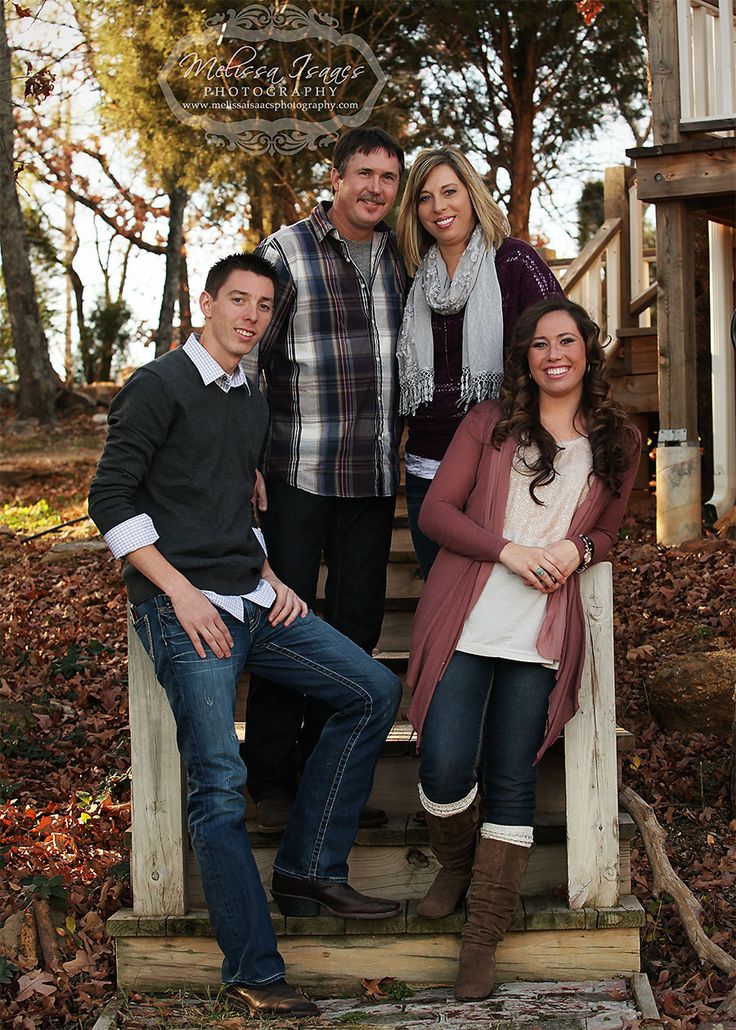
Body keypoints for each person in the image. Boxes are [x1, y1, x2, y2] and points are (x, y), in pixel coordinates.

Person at [88, 253, 402, 1020]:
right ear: (206, 303)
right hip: (183, 607)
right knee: (219, 787)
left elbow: (231, 500)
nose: (251, 316)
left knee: (372, 689)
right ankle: (253, 969)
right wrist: (179, 593)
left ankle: (308, 867)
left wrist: (267, 573)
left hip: (252, 596)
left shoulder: (250, 395)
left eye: (263, 305)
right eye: (238, 300)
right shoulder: (159, 387)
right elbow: (109, 499)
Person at [406, 295, 641, 1001]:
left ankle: (482, 937)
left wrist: (578, 547)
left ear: (587, 350)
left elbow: (612, 530)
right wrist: (507, 550)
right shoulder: (490, 424)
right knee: (446, 760)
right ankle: (455, 861)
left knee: (512, 777)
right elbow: (436, 512)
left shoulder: (620, 440)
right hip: (469, 616)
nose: (553, 355)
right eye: (539, 344)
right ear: (524, 357)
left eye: (565, 341)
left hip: (541, 632)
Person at [243, 127, 407, 832]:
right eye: (363, 173)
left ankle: (327, 778)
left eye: (388, 178)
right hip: (295, 473)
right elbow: (248, 358)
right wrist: (242, 458)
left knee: (356, 628)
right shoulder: (286, 253)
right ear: (335, 179)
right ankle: (272, 780)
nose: (375, 188)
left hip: (372, 477)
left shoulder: (404, 258)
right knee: (287, 621)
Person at [396, 146, 563, 580]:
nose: (439, 207)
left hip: (501, 463)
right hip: (427, 470)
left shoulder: (515, 262)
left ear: (472, 194)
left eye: (449, 191)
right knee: (439, 597)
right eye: (425, 197)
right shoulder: (412, 277)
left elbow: (562, 346)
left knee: (491, 605)